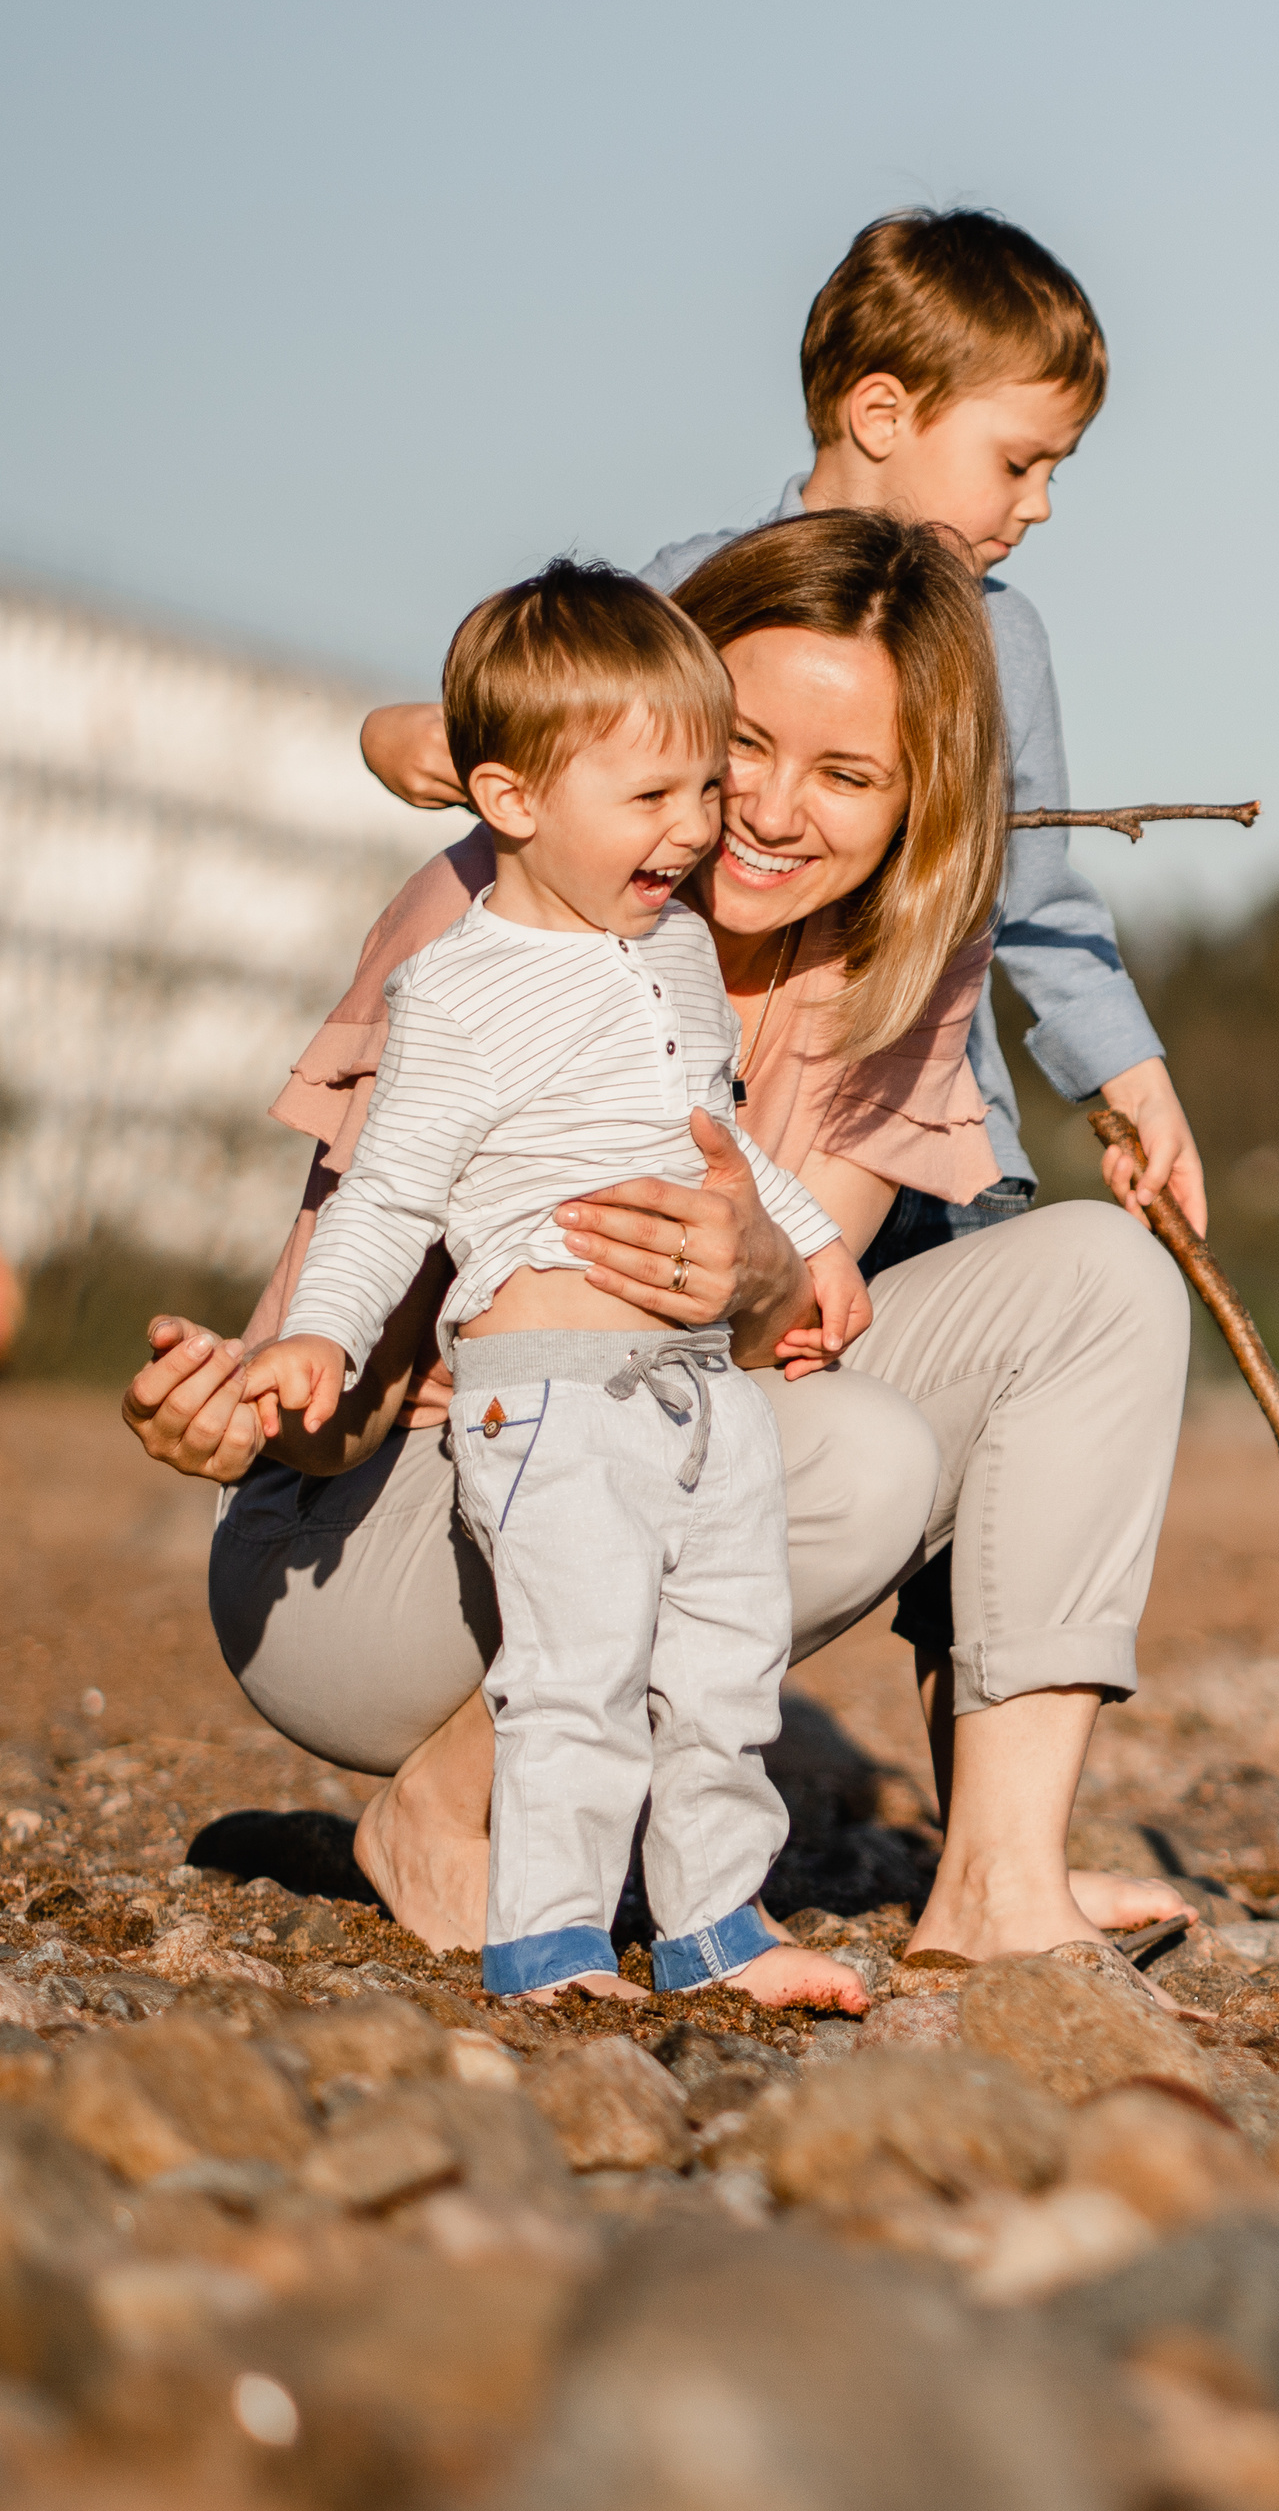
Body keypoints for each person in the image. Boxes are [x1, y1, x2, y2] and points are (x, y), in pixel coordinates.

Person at [124, 512, 1192, 1979]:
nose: (765, 812)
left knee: (1099, 1280)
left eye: (848, 775)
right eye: (739, 745)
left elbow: (791, 1326)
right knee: (845, 1455)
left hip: (659, 1415)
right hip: (373, 1540)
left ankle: (999, 1883)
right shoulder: (484, 923)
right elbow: (342, 1386)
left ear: (911, 801)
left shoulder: (899, 953)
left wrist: (759, 1274)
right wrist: (247, 1402)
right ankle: (450, 1805)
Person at [243, 560, 864, 2007]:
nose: (693, 828)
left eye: (702, 789)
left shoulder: (681, 950)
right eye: (650, 797)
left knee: (722, 1672)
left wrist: (810, 1240)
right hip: (552, 1402)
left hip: (700, 1393)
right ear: (511, 799)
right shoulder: (459, 990)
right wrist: (322, 1332)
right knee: (577, 1669)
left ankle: (716, 1927)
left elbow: (713, 1140)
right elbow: (389, 1192)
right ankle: (550, 1938)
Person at [359, 207, 1209, 1248]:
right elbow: (545, 750)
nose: (1038, 505)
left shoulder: (1004, 644)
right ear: (882, 413)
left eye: (1053, 473)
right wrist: (412, 737)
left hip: (935, 1152)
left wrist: (1135, 1081)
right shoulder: (694, 592)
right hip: (718, 1119)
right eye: (1017, 463)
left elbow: (1031, 900)